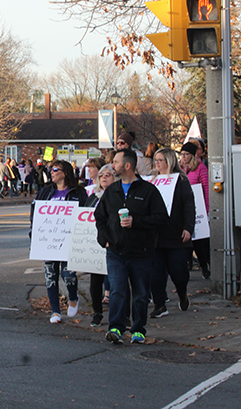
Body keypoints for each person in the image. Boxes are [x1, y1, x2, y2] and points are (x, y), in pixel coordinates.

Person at [95, 148, 168, 344]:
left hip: (141, 252)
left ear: (128, 166)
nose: (112, 165)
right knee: (117, 291)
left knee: (140, 293)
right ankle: (116, 328)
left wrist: (137, 222)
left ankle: (138, 329)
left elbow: (161, 218)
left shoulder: (148, 191)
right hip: (116, 252)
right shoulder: (112, 191)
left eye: (116, 162)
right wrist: (105, 239)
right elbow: (99, 217)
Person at [31, 160, 88, 323]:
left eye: (55, 169)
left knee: (68, 274)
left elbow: (85, 213)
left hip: (69, 240)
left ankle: (73, 297)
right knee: (51, 275)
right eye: (51, 169)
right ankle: (55, 311)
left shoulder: (78, 192)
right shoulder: (45, 192)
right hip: (48, 240)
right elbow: (35, 214)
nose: (52, 172)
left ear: (65, 173)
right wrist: (34, 234)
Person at [149, 147, 195, 318]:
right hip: (156, 236)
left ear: (169, 161)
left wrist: (188, 228)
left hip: (176, 234)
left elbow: (189, 206)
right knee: (156, 273)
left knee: (178, 271)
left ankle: (182, 293)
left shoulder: (181, 181)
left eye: (160, 160)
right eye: (156, 160)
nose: (157, 163)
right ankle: (160, 304)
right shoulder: (152, 180)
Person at [84, 163, 115, 327]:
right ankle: (97, 312)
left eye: (108, 175)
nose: (103, 177)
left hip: (114, 244)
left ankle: (122, 314)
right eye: (101, 175)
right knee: (95, 283)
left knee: (118, 281)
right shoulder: (93, 197)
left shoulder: (119, 195)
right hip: (93, 245)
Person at [180, 141, 211, 279]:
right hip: (186, 209)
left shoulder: (200, 168)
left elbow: (206, 189)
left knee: (199, 242)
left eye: (186, 154)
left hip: (199, 209)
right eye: (182, 154)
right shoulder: (182, 169)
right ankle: (187, 265)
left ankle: (205, 265)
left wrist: (207, 209)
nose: (183, 157)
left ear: (192, 155)